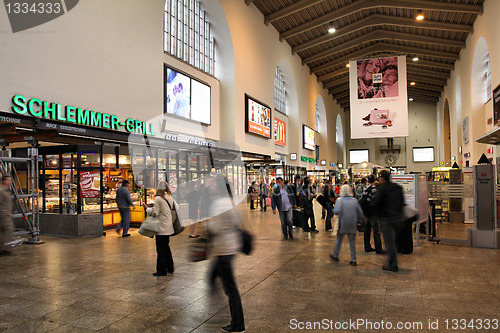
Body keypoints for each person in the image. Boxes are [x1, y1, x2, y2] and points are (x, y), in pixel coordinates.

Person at [207, 175, 245, 333]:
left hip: (223, 248)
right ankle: (211, 278)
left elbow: (215, 228)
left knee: (230, 288)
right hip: (232, 247)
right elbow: (237, 222)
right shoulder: (232, 202)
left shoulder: (219, 203)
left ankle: (238, 324)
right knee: (228, 284)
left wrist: (209, 224)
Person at [370, 170, 405, 272]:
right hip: (397, 218)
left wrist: (370, 215)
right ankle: (392, 261)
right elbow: (402, 202)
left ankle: (392, 264)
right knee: (393, 240)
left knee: (389, 241)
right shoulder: (398, 188)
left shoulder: (382, 189)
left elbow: (375, 203)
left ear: (382, 178)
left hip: (386, 219)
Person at [330, 184, 363, 266]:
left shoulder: (339, 200)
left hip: (343, 223)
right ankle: (353, 259)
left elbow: (336, 211)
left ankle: (335, 255)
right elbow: (360, 212)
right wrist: (359, 221)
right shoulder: (354, 200)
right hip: (352, 223)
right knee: (352, 242)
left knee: (339, 240)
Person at [151, 182, 175, 276]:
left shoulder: (158, 198)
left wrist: (148, 210)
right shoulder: (170, 197)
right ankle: (170, 267)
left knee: (160, 249)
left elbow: (155, 213)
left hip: (161, 228)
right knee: (166, 247)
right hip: (168, 227)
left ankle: (162, 270)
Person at [361, 174, 385, 254]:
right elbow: (374, 202)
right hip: (373, 213)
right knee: (376, 231)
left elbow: (363, 200)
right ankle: (378, 248)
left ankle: (367, 246)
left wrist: (365, 213)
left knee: (367, 230)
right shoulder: (374, 189)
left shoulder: (365, 188)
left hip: (366, 212)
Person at [0, 176, 13, 255]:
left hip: (5, 215)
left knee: (4, 232)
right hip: (3, 216)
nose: (10, 182)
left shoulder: (5, 191)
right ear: (4, 181)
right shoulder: (1, 191)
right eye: (8, 180)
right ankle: (1, 248)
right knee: (6, 230)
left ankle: (2, 248)